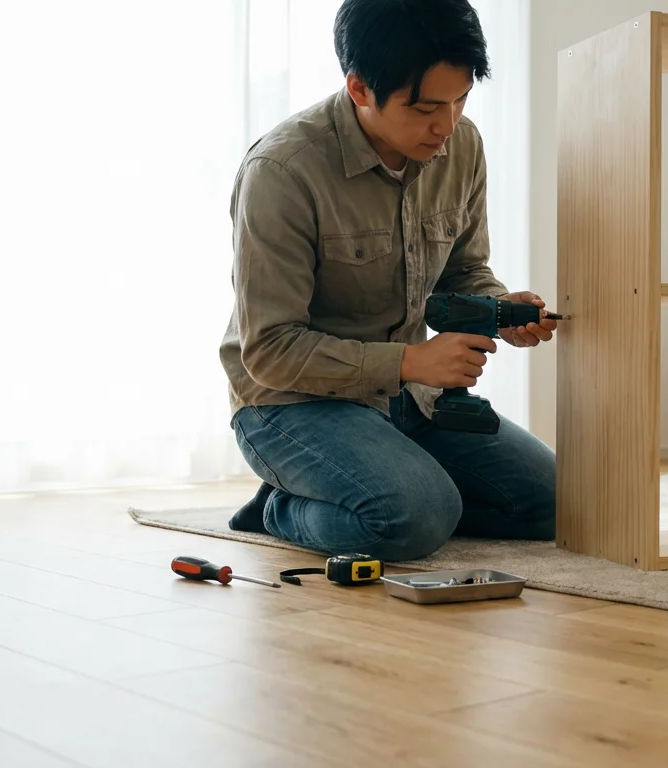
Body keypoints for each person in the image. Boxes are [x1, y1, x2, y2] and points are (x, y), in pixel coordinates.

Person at [217, 0, 556, 562]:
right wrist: (409, 363)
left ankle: (392, 491)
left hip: (413, 400)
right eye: (425, 108)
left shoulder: (462, 146)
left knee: (561, 504)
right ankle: (280, 507)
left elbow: (464, 271)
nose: (446, 126)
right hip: (291, 405)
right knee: (413, 518)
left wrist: (501, 308)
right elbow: (269, 351)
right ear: (359, 89)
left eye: (461, 99)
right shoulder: (282, 173)